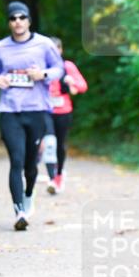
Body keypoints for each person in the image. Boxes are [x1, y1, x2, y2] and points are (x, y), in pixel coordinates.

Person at [0, 1, 64, 230]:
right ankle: (19, 210)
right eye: (13, 18)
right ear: (9, 23)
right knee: (16, 160)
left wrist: (43, 74)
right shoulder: (0, 48)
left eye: (21, 17)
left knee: (31, 164)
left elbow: (59, 68)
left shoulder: (44, 44)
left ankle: (29, 194)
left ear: (28, 20)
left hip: (36, 109)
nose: (17, 22)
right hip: (9, 110)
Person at [43, 36, 88, 194]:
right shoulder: (42, 67)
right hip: (45, 110)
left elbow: (83, 86)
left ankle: (59, 174)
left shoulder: (67, 66)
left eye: (56, 50)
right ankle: (51, 179)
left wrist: (71, 82)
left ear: (61, 51)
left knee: (60, 145)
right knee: (49, 143)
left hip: (63, 111)